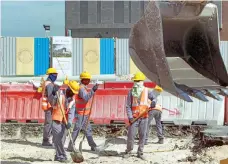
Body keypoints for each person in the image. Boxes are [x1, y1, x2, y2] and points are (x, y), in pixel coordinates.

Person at [123, 72, 157, 160]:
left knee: (143, 135)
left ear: (142, 81)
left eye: (138, 81)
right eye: (136, 81)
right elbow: (128, 106)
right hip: (134, 118)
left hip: (144, 117)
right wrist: (130, 117)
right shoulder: (131, 92)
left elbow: (154, 98)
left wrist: (154, 102)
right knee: (131, 135)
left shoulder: (146, 91)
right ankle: (129, 151)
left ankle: (140, 152)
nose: (137, 82)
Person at [67, 71, 99, 152]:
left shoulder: (83, 87)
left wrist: (92, 90)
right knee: (77, 129)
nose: (89, 81)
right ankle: (71, 146)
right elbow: (86, 98)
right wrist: (93, 90)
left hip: (85, 113)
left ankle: (93, 146)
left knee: (88, 129)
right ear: (83, 80)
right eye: (87, 79)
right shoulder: (81, 88)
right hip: (81, 113)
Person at [52, 80, 79, 162]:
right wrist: (54, 94)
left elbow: (71, 112)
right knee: (58, 139)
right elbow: (52, 102)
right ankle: (62, 156)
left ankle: (57, 156)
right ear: (69, 89)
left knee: (62, 140)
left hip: (65, 121)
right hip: (56, 119)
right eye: (72, 92)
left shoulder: (72, 100)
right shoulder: (59, 93)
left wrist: (70, 122)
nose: (73, 93)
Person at [41, 67, 59, 146]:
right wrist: (55, 94)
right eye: (54, 74)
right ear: (50, 75)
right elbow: (50, 97)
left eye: (56, 74)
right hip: (49, 106)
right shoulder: (49, 84)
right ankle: (45, 140)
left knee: (50, 123)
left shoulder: (47, 83)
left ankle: (49, 139)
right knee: (49, 123)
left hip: (48, 106)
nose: (55, 76)